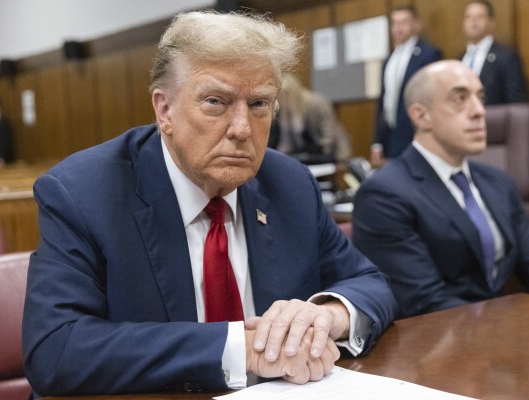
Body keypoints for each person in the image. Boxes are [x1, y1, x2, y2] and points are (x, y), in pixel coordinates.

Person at [22, 10, 397, 397]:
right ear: (164, 110)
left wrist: (326, 315)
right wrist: (241, 349)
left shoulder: (290, 184)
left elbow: (369, 283)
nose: (241, 129)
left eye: (259, 104)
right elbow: (56, 349)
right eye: (216, 101)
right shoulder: (84, 192)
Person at [353, 60, 529, 318]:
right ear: (421, 115)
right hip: (436, 342)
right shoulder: (383, 194)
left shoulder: (498, 181)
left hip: (499, 332)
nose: (480, 111)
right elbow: (424, 301)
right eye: (459, 99)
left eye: (480, 97)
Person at [371, 5, 441, 166]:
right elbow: (383, 102)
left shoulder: (428, 55)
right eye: (394, 23)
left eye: (404, 22)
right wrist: (377, 142)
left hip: (415, 134)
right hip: (391, 137)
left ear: (416, 24)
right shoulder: (388, 60)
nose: (398, 28)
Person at [268, 73, 351, 163]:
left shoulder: (316, 102)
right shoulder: (285, 110)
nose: (282, 100)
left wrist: (320, 151)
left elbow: (329, 134)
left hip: (331, 154)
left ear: (294, 91)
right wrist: (279, 158)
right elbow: (286, 141)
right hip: (309, 156)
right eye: (279, 96)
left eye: (285, 94)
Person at [461, 0, 527, 105]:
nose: (473, 21)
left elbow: (517, 105)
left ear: (491, 23)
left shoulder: (507, 58)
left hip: (494, 120)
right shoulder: (458, 60)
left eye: (479, 17)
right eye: (468, 17)